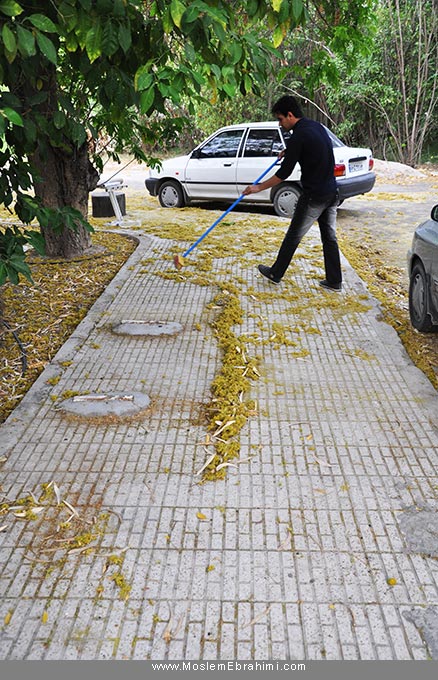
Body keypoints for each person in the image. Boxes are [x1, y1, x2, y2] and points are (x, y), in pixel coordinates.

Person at [243, 95, 342, 291]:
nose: (280, 124)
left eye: (280, 119)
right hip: (332, 192)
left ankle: (275, 273)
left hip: (314, 195)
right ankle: (334, 280)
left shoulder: (298, 135)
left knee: (293, 235)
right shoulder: (316, 127)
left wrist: (257, 188)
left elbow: (283, 174)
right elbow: (313, 148)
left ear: (290, 115)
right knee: (330, 238)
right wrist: (289, 151)